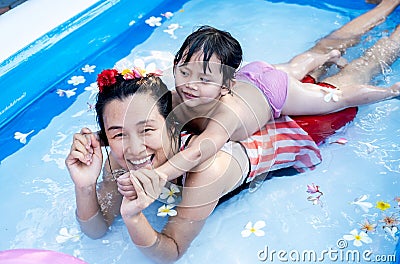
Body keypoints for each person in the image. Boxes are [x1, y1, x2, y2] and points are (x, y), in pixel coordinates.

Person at [65, 69, 322, 264]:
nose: (134, 149)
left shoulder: (206, 170)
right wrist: (85, 186)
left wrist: (134, 219)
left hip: (297, 131)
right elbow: (96, 230)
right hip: (247, 106)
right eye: (119, 134)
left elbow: (171, 253)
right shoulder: (120, 160)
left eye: (147, 130)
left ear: (172, 124)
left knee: (340, 77)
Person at [140, 0, 400, 184]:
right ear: (175, 65)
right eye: (185, 72)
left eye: (204, 79)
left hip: (273, 89)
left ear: (224, 87)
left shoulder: (225, 117)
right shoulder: (177, 93)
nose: (191, 85)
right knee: (299, 64)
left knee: (334, 98)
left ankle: (389, 90)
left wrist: (160, 174)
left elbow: (198, 151)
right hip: (253, 72)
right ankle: (330, 54)